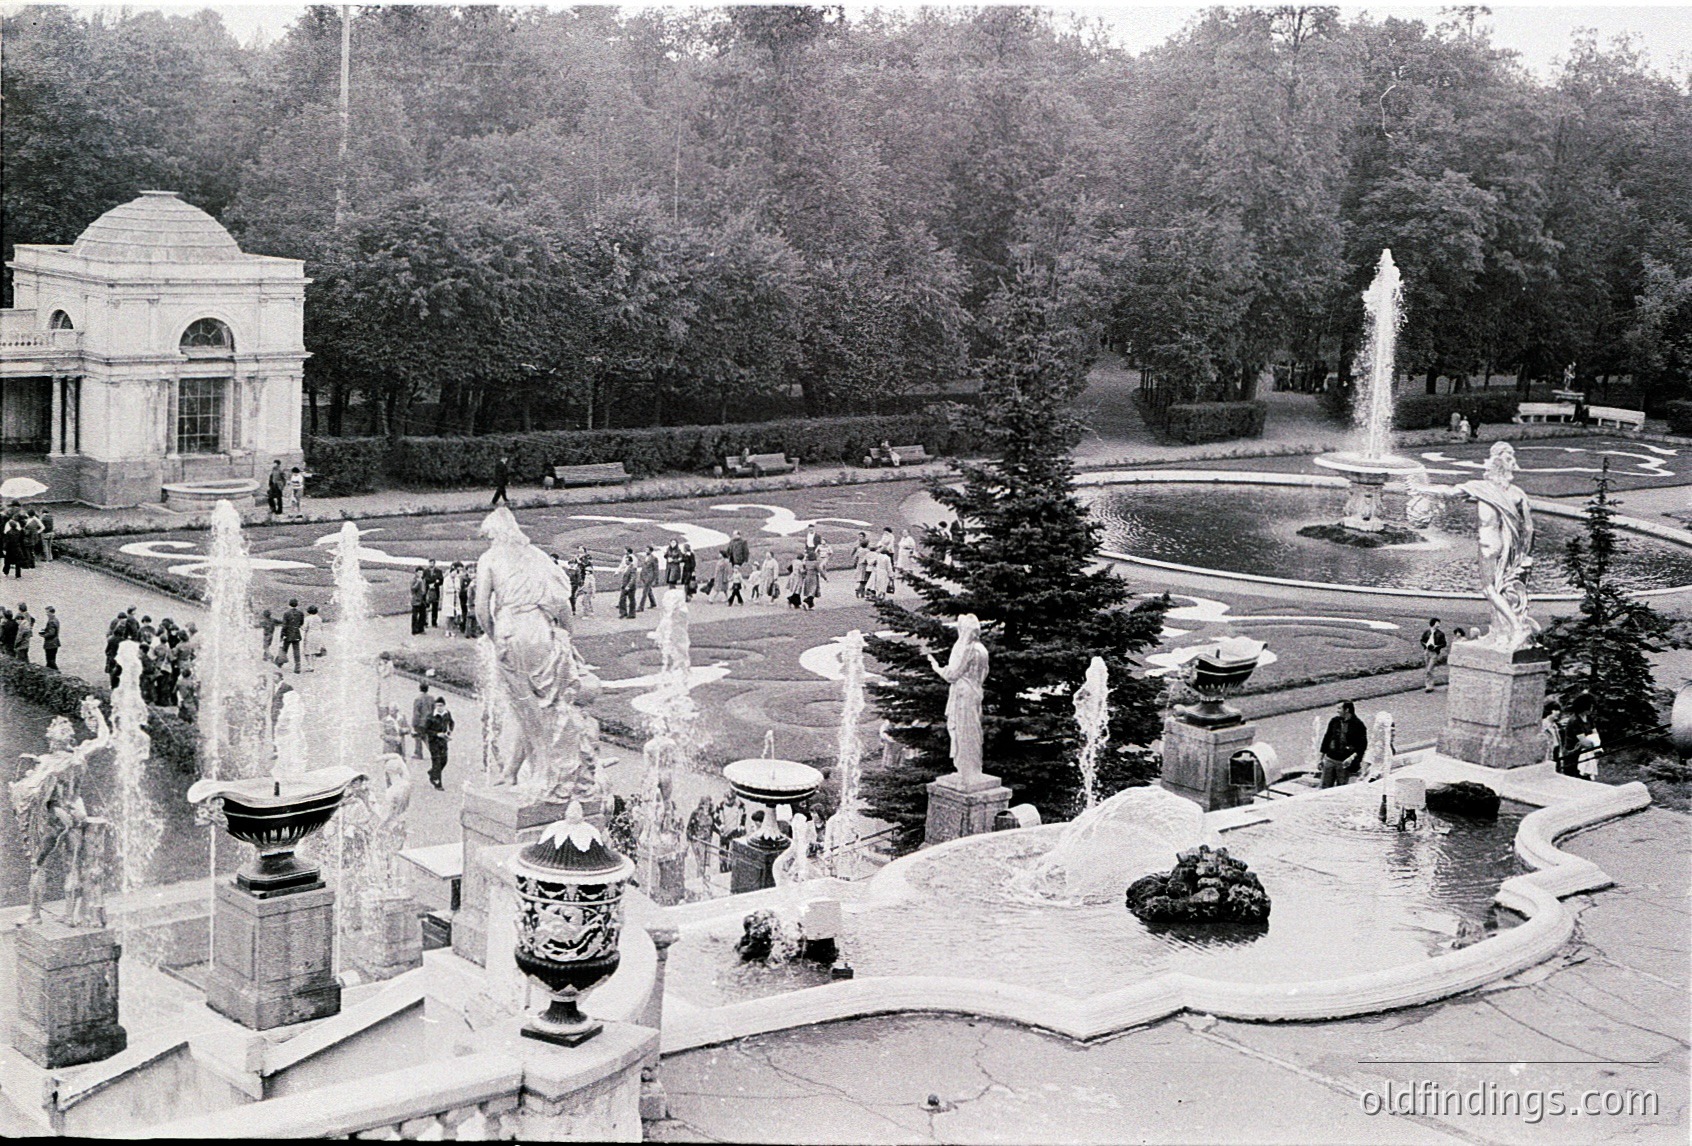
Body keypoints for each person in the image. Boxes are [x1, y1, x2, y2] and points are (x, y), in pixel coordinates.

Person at [927, 614, 990, 783]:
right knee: (973, 729)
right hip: (975, 691)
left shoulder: (967, 649)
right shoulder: (981, 649)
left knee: (963, 730)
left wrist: (935, 666)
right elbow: (984, 673)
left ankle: (965, 769)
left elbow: (951, 675)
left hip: (963, 694)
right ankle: (973, 767)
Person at [1318, 700, 1368, 788]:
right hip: (1330, 759)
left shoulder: (1358, 725)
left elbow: (1362, 745)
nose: (1337, 711)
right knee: (1324, 787)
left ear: (1347, 710)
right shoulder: (1334, 721)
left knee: (1341, 787)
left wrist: (1351, 758)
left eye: (1339, 708)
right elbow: (1326, 739)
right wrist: (1320, 758)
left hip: (1344, 763)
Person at [425, 695, 455, 789]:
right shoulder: (430, 716)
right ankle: (437, 783)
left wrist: (449, 731)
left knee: (444, 760)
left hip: (443, 740)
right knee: (436, 761)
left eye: (441, 705)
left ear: (444, 705)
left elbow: (451, 722)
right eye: (437, 705)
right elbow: (426, 730)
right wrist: (436, 734)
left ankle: (432, 772)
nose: (439, 707)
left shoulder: (447, 714)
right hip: (433, 741)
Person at [278, 598, 305, 673]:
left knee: (284, 649)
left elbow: (284, 625)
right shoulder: (300, 613)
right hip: (296, 632)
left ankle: (280, 663)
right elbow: (301, 623)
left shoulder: (286, 613)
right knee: (296, 650)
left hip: (288, 633)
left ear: (289, 604)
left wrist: (282, 635)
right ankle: (298, 667)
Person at [1421, 618, 1449, 691]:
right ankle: (1428, 685)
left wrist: (1436, 647)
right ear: (1433, 623)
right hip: (1427, 651)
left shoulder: (1441, 634)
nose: (1439, 625)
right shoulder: (1426, 632)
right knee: (1427, 668)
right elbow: (1422, 640)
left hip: (1434, 653)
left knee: (1429, 669)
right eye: (1437, 623)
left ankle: (1430, 685)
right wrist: (1425, 645)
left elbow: (1444, 644)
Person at [411, 681, 433, 762]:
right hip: (428, 721)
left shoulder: (418, 699)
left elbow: (416, 712)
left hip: (420, 722)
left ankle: (418, 753)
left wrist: (414, 723)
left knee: (418, 737)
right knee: (426, 737)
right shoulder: (431, 698)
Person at [423, 559, 445, 627]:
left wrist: (435, 584)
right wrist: (429, 584)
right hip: (427, 590)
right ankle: (425, 622)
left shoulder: (439, 571)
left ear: (434, 564)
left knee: (435, 607)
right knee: (426, 607)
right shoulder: (425, 571)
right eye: (430, 563)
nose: (431, 564)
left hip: (435, 591)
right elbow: (423, 579)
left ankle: (434, 622)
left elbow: (441, 581)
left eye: (432, 563)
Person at [617, 550, 638, 619]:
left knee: (631, 600)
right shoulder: (626, 567)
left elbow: (633, 578)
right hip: (624, 586)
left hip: (630, 587)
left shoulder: (632, 568)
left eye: (626, 560)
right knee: (622, 599)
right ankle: (623, 612)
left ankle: (632, 614)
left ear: (630, 561)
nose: (625, 562)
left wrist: (628, 586)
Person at [639, 547, 660, 612]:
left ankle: (641, 607)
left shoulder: (654, 558)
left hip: (649, 577)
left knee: (645, 591)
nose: (646, 551)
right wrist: (641, 575)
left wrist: (656, 578)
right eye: (645, 550)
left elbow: (656, 569)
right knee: (649, 590)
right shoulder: (645, 557)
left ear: (651, 551)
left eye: (647, 550)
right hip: (644, 576)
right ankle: (653, 603)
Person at [40, 605, 60, 670]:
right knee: (51, 660)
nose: (46, 614)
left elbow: (51, 633)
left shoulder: (51, 621)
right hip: (55, 643)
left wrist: (43, 635)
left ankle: (57, 672)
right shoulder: (56, 620)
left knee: (50, 660)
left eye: (47, 612)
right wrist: (45, 630)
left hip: (50, 643)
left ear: (51, 612)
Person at [409, 569, 427, 635]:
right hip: (416, 599)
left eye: (421, 572)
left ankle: (421, 629)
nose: (420, 574)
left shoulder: (423, 580)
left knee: (423, 615)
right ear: (416, 573)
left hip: (422, 599)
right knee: (415, 615)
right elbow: (412, 589)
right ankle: (414, 630)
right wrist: (418, 583)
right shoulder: (414, 580)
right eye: (419, 572)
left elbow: (424, 589)